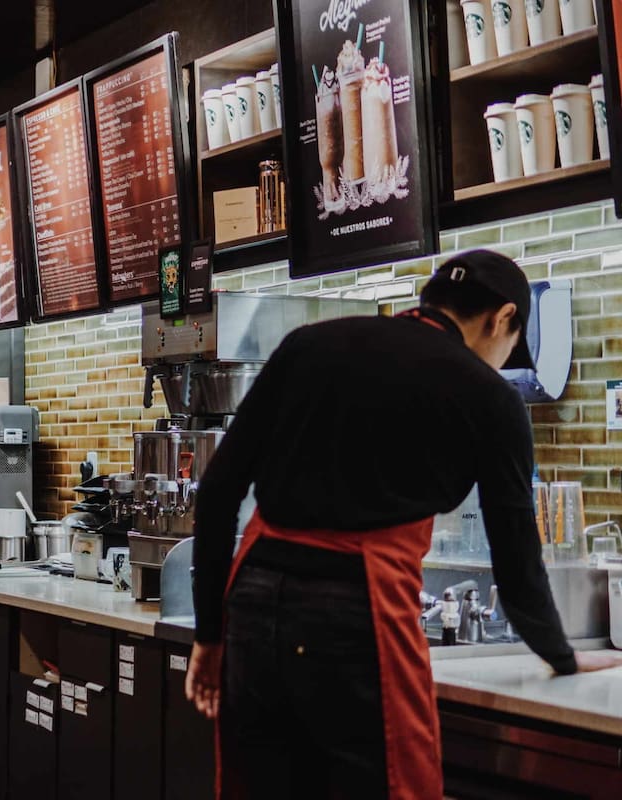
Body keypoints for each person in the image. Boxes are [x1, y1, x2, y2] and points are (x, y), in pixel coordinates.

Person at [184, 249, 622, 799]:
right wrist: (562, 655)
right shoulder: (489, 396)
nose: (505, 358)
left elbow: (219, 489)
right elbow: (517, 564)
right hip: (354, 608)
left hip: (252, 601)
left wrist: (210, 634)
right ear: (503, 318)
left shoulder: (310, 345)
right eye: (511, 345)